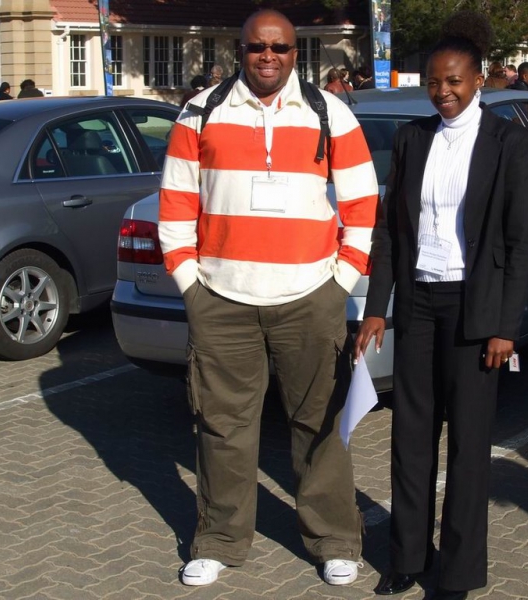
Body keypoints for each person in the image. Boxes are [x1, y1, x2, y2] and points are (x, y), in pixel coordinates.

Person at [158, 8, 378, 590]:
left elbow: (362, 203)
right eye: (258, 46)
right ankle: (220, 541)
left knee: (319, 426)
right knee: (222, 428)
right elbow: (175, 206)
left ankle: (334, 540)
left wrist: (340, 282)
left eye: (280, 47)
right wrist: (191, 288)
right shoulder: (200, 111)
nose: (268, 56)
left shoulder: (330, 112)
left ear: (295, 52)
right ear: (241, 49)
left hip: (311, 298)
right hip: (221, 300)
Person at [354, 9, 528, 600]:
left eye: (454, 80)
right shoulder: (413, 138)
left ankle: (458, 574)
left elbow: (520, 242)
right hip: (418, 306)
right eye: (434, 82)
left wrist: (506, 326)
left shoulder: (508, 142)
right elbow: (391, 230)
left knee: (467, 447)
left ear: (479, 79)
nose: (444, 92)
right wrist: (377, 307)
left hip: (474, 311)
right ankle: (407, 557)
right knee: (410, 437)